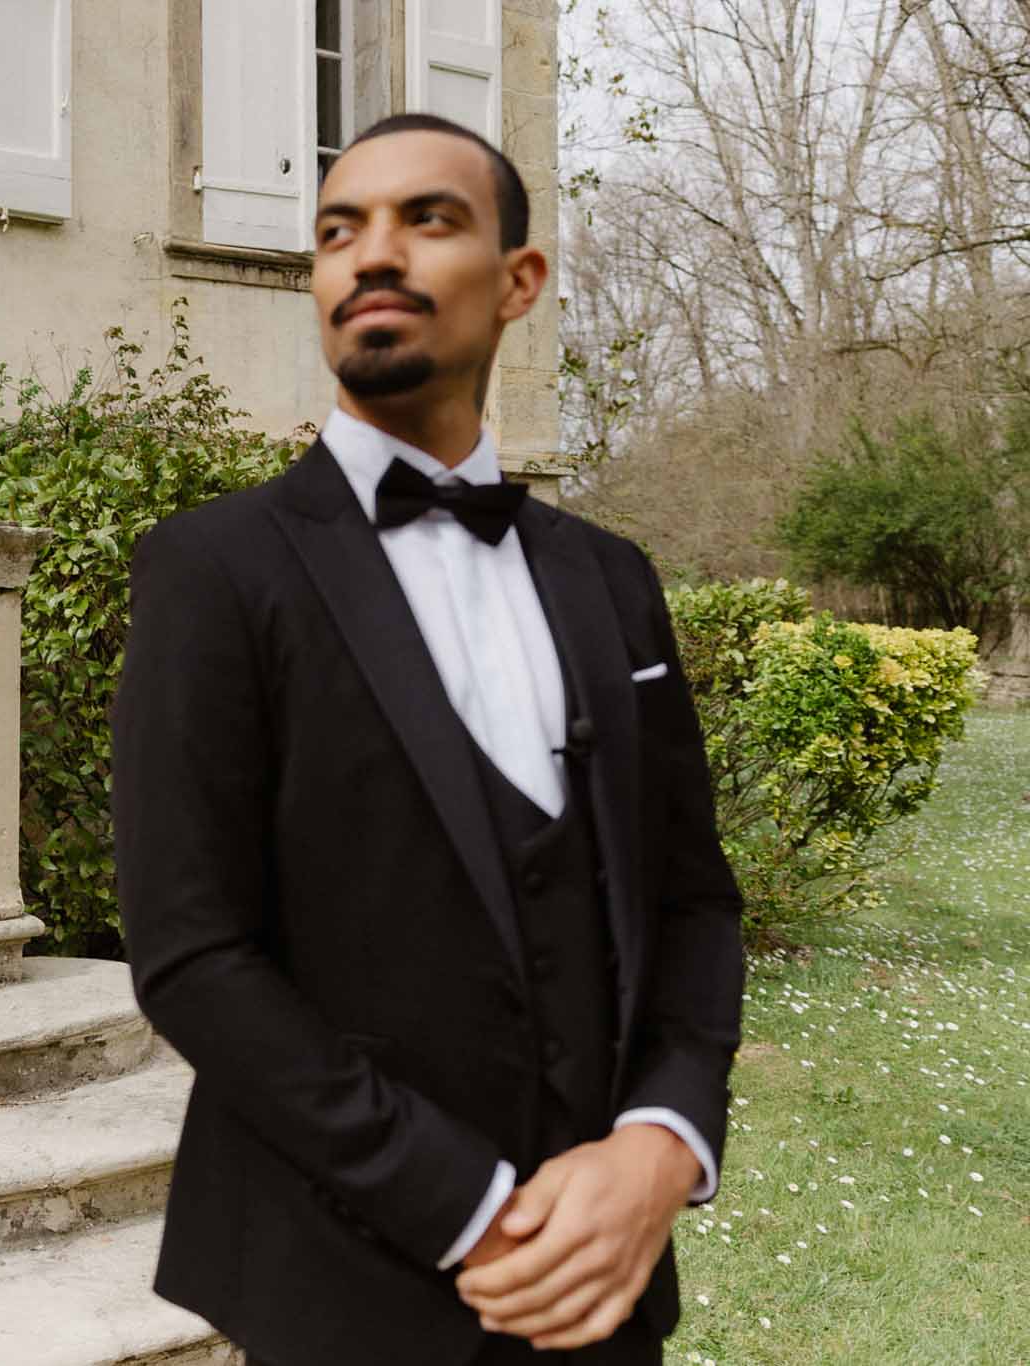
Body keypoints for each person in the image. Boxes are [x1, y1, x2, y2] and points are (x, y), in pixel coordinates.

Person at [111, 114, 745, 1365]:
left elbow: (692, 902)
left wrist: (661, 1142)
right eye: (338, 231)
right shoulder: (212, 569)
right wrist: (469, 1207)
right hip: (340, 1285)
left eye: (426, 219)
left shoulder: (609, 578)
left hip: (603, 1284)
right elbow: (191, 956)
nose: (370, 255)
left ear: (519, 281)